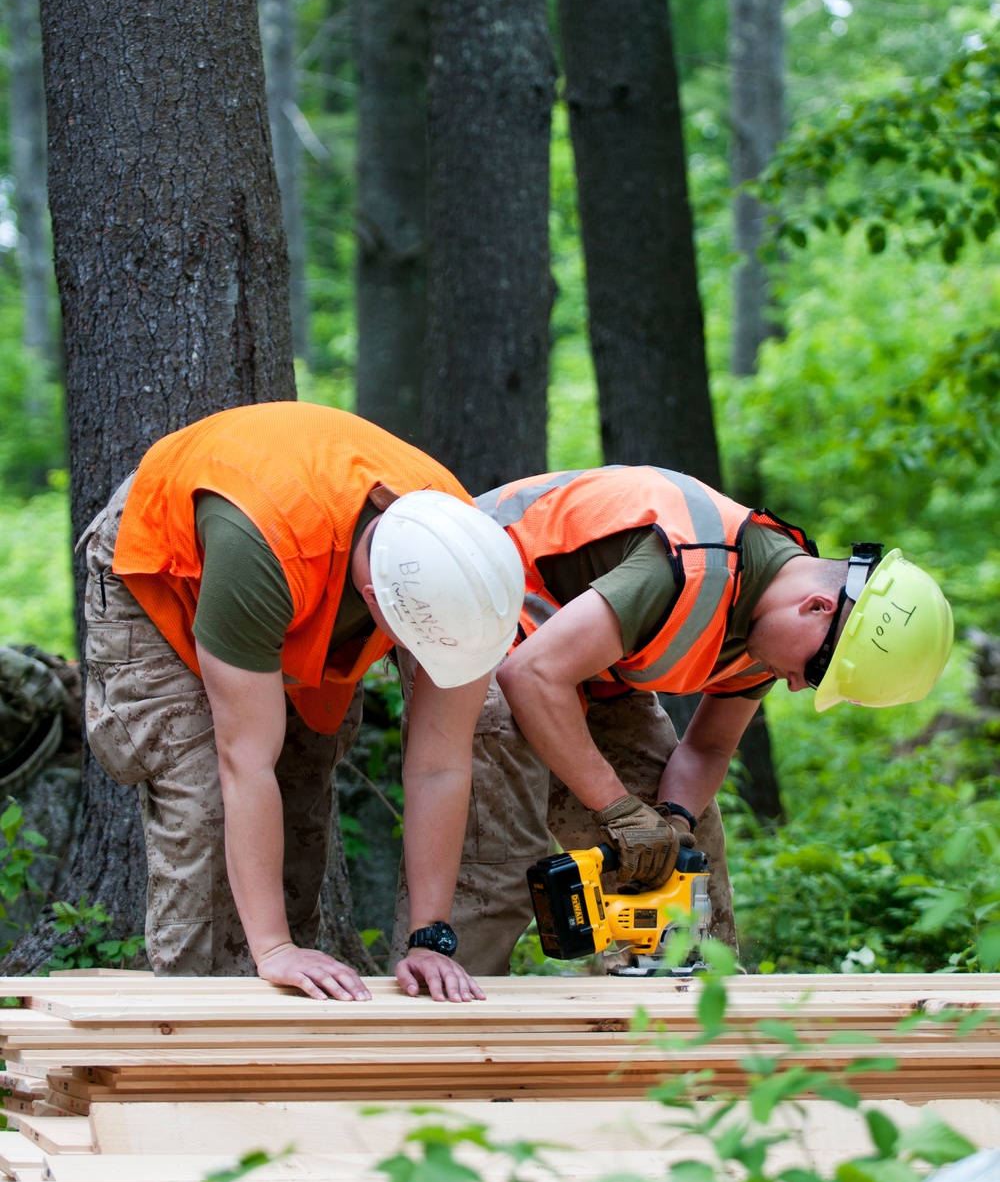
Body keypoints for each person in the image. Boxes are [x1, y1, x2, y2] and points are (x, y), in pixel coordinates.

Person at [390, 465, 954, 975]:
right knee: (496, 857)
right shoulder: (692, 567)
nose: (799, 683)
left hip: (581, 659)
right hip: (469, 609)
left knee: (683, 856)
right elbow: (531, 677)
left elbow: (706, 751)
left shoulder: (770, 631)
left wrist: (672, 822)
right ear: (816, 607)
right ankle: (440, 1043)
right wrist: (617, 810)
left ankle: (679, 1041)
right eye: (819, 668)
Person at [79, 401, 524, 1002]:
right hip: (172, 562)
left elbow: (441, 764)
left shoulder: (464, 566)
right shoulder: (259, 552)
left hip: (311, 563)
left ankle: (299, 995)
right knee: (206, 791)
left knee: (302, 786)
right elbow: (245, 762)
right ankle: (202, 1024)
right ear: (374, 600)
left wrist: (430, 937)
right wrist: (273, 948)